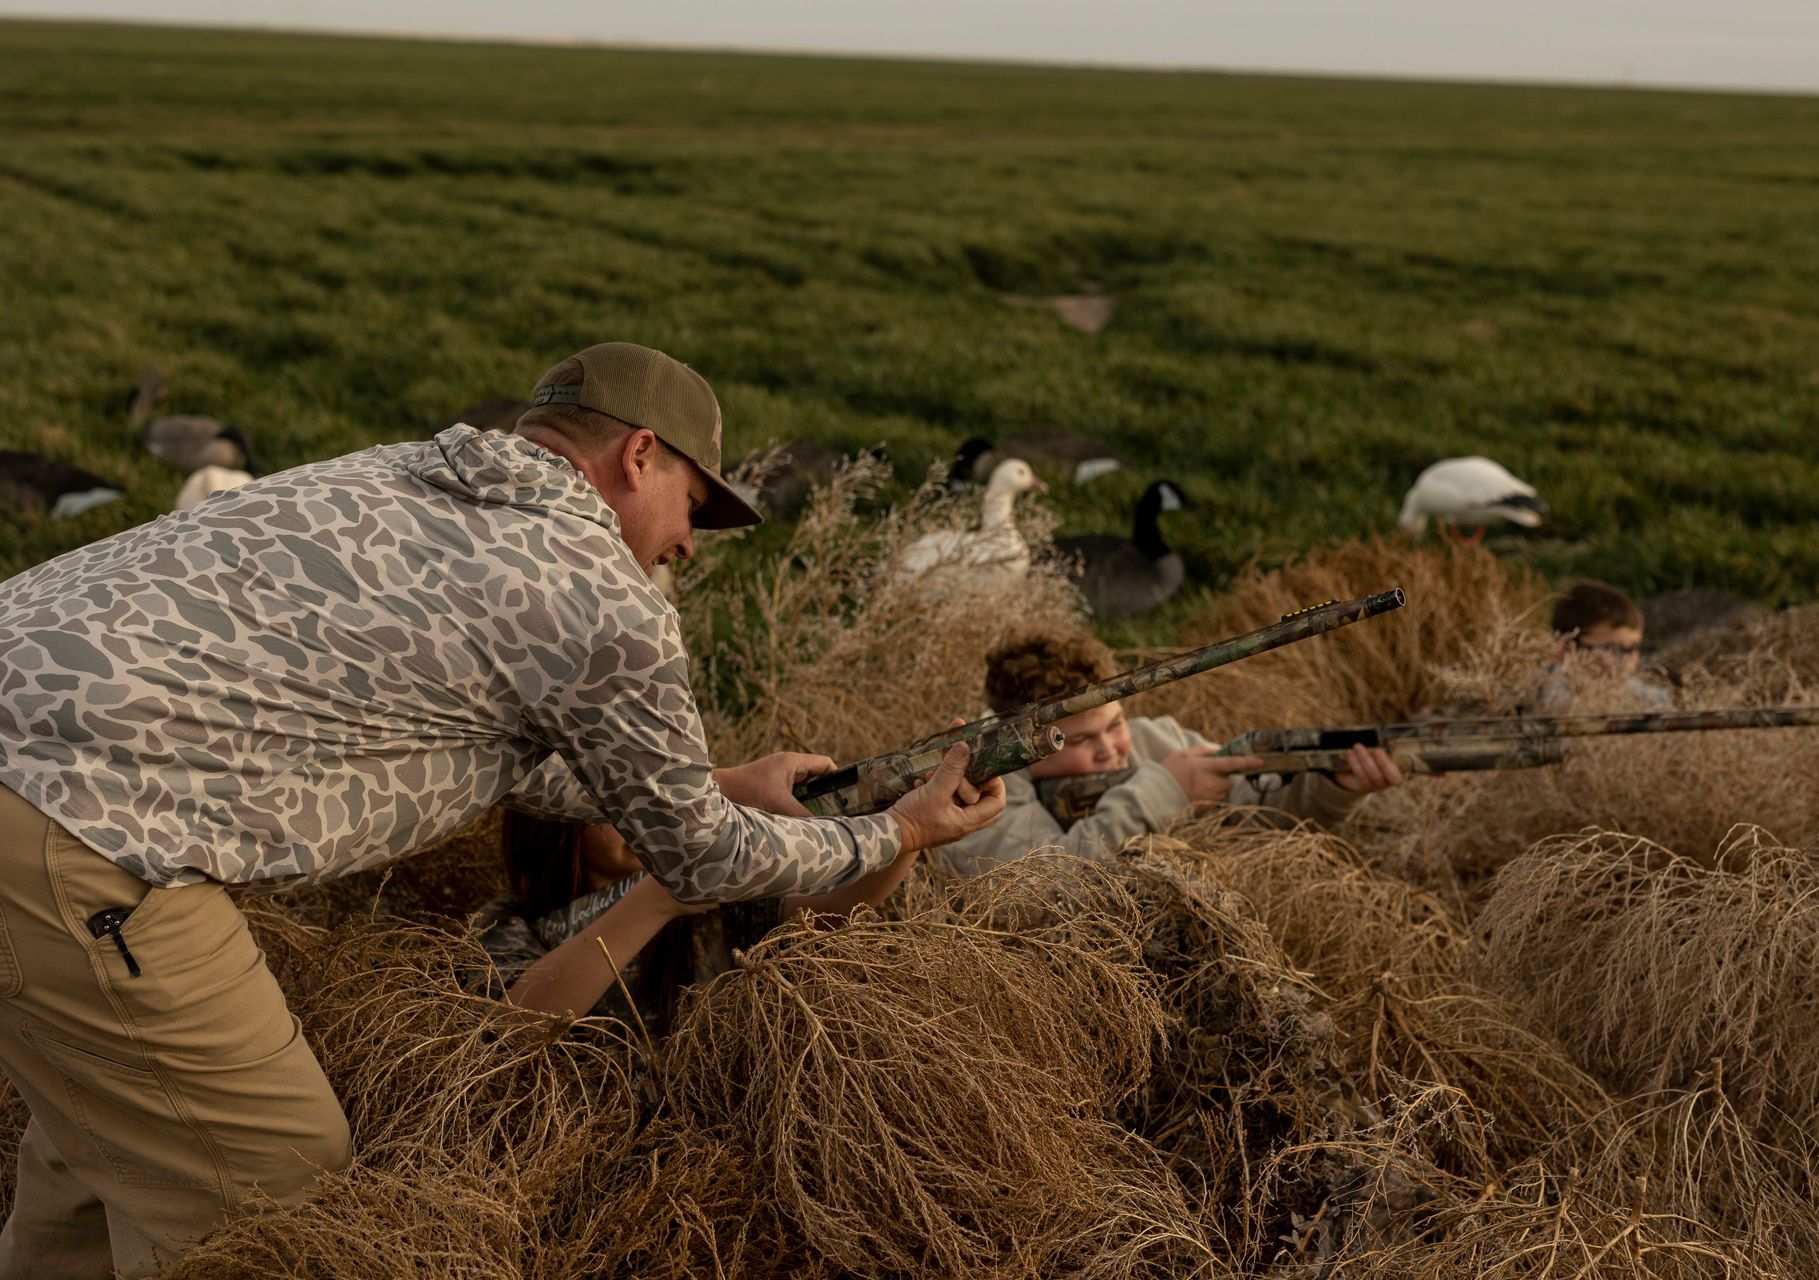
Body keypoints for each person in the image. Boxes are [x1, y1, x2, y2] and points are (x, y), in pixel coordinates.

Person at [0, 342, 1003, 1278]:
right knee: (274, 1188)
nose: (688, 544)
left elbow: (473, 743)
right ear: (639, 454)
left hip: (35, 775)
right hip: (78, 825)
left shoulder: (394, 477)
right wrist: (901, 830)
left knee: (103, 1136)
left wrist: (725, 782)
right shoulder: (597, 593)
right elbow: (700, 864)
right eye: (693, 504)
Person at [940, 630, 1405, 878]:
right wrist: (1164, 792)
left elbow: (1260, 819)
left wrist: (1333, 787)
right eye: (1079, 741)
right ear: (1021, 748)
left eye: (1116, 724)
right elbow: (1042, 889)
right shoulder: (981, 793)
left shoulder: (1157, 742)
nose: (1111, 750)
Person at [477, 808, 926, 1037]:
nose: (641, 818)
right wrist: (655, 901)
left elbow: (825, 909)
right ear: (552, 822)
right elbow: (511, 1030)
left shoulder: (700, 895)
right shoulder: (509, 923)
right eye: (611, 806)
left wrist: (906, 830)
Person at [1538, 579, 1672, 710]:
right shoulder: (1542, 702)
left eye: (1631, 648)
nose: (1624, 662)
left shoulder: (1652, 700)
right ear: (1565, 649)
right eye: (1609, 649)